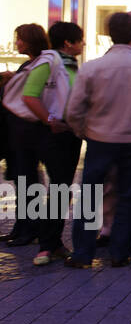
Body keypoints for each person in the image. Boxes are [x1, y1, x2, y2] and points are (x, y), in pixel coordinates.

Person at [64, 12, 131, 269]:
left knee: (90, 194)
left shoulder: (91, 68)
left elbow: (73, 110)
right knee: (129, 194)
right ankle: (120, 252)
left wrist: (83, 131)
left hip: (100, 137)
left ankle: (82, 253)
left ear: (110, 34)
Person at [14, 23, 83, 265]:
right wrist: (50, 119)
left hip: (69, 133)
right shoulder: (49, 62)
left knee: (61, 188)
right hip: (54, 134)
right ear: (68, 43)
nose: (83, 44)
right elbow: (29, 95)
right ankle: (46, 244)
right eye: (80, 40)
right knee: (59, 188)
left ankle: (53, 243)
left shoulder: (69, 64)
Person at [3, 23, 53, 248]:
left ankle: (29, 228)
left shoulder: (40, 64)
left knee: (27, 180)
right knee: (23, 179)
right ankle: (22, 227)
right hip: (20, 133)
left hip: (29, 132)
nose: (17, 43)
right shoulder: (30, 64)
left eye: (20, 39)